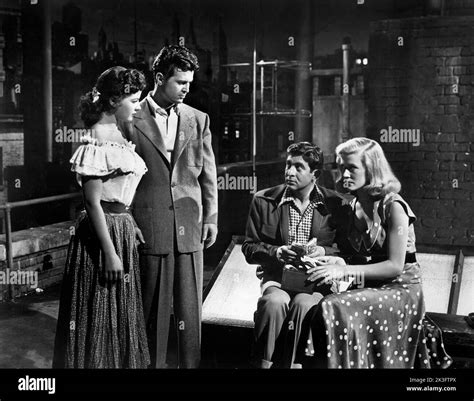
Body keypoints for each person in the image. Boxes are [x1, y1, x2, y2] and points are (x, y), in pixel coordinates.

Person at [297, 137, 452, 368]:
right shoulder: (351, 208)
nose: (344, 175)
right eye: (341, 168)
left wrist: (343, 271)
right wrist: (335, 261)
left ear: (371, 169)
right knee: (324, 308)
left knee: (331, 306)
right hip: (370, 288)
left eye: (351, 168)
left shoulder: (394, 206)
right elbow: (358, 260)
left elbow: (394, 266)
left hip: (402, 291)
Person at [119, 45, 218, 368]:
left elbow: (207, 174)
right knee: (153, 314)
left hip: (190, 226)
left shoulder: (198, 119)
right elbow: (122, 176)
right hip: (150, 227)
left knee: (190, 316)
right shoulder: (132, 118)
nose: (187, 88)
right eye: (180, 82)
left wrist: (211, 218)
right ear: (159, 78)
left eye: (190, 82)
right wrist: (129, 220)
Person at [53, 66, 150, 368]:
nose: (137, 106)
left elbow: (117, 193)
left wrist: (129, 221)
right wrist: (109, 253)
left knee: (119, 313)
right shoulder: (95, 138)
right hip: (100, 236)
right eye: (133, 100)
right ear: (112, 101)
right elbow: (93, 202)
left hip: (119, 228)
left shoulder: (119, 135)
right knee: (98, 311)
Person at [241, 142, 350, 368]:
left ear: (315, 174)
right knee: (273, 303)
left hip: (317, 281)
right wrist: (277, 252)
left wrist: (323, 251)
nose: (289, 172)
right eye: (288, 165)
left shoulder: (337, 204)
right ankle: (263, 365)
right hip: (277, 279)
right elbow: (249, 247)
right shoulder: (263, 200)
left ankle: (294, 365)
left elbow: (347, 250)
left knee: (304, 304)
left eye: (298, 167)